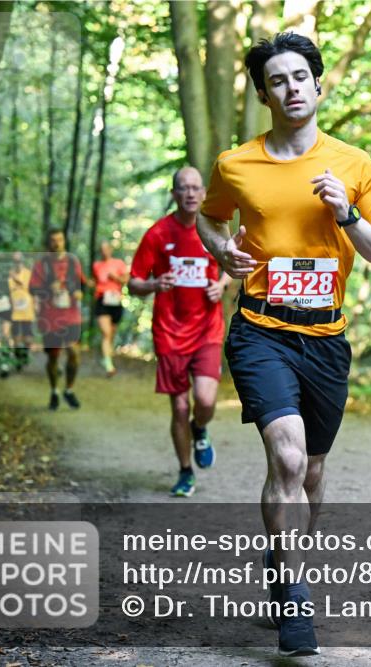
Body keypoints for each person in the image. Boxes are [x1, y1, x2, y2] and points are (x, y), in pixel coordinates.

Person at [197, 32, 371, 657]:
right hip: (261, 328)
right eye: (276, 81)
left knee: (311, 471)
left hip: (327, 338)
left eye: (299, 78)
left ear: (318, 85)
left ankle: (284, 559)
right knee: (286, 459)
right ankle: (293, 597)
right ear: (264, 93)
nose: (290, 89)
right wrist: (220, 248)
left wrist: (347, 216)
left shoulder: (354, 164)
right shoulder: (236, 164)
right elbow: (211, 216)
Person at [129, 167, 230, 498]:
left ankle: (201, 429)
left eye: (195, 188)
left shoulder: (214, 230)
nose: (189, 193)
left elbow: (234, 264)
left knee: (203, 399)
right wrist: (155, 284)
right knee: (179, 408)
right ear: (174, 195)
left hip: (207, 329)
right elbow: (133, 283)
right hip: (169, 332)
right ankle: (186, 471)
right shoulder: (158, 234)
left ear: (203, 194)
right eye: (182, 188)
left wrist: (221, 285)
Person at [30, 230, 85, 409]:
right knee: (53, 357)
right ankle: (54, 391)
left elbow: (82, 283)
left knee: (74, 353)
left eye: (60, 239)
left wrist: (79, 291)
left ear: (64, 241)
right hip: (50, 317)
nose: (57, 243)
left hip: (71, 316)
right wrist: (48, 288)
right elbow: (33, 289)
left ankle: (69, 389)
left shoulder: (72, 261)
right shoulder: (42, 264)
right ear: (48, 243)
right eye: (53, 240)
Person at [92, 241, 129, 377]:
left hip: (115, 300)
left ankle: (106, 357)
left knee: (111, 334)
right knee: (106, 333)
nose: (104, 251)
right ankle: (108, 365)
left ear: (110, 250)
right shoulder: (96, 265)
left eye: (106, 248)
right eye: (102, 249)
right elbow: (95, 281)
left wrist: (115, 277)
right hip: (102, 300)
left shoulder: (118, 263)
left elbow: (125, 279)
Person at [8, 251, 35, 371]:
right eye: (14, 261)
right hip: (13, 311)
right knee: (15, 337)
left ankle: (25, 354)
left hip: (27, 310)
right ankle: (18, 358)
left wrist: (15, 278)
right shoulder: (8, 275)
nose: (17, 263)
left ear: (22, 261)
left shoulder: (28, 274)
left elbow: (31, 288)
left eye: (18, 260)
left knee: (28, 337)